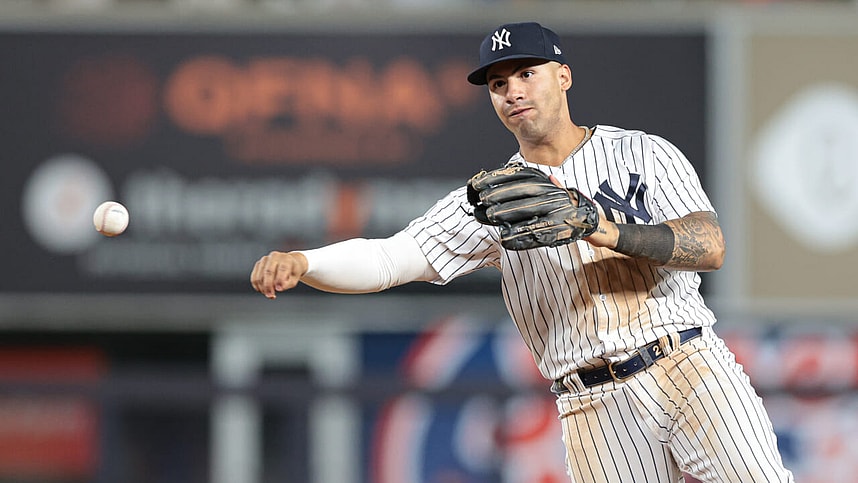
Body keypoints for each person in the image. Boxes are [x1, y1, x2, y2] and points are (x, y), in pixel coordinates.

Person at [251, 22, 793, 483]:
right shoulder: (491, 200)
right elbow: (390, 259)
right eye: (498, 83)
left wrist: (601, 228)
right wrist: (306, 262)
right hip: (591, 403)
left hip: (688, 367)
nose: (512, 91)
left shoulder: (642, 153)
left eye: (527, 73)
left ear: (564, 76)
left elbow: (709, 246)